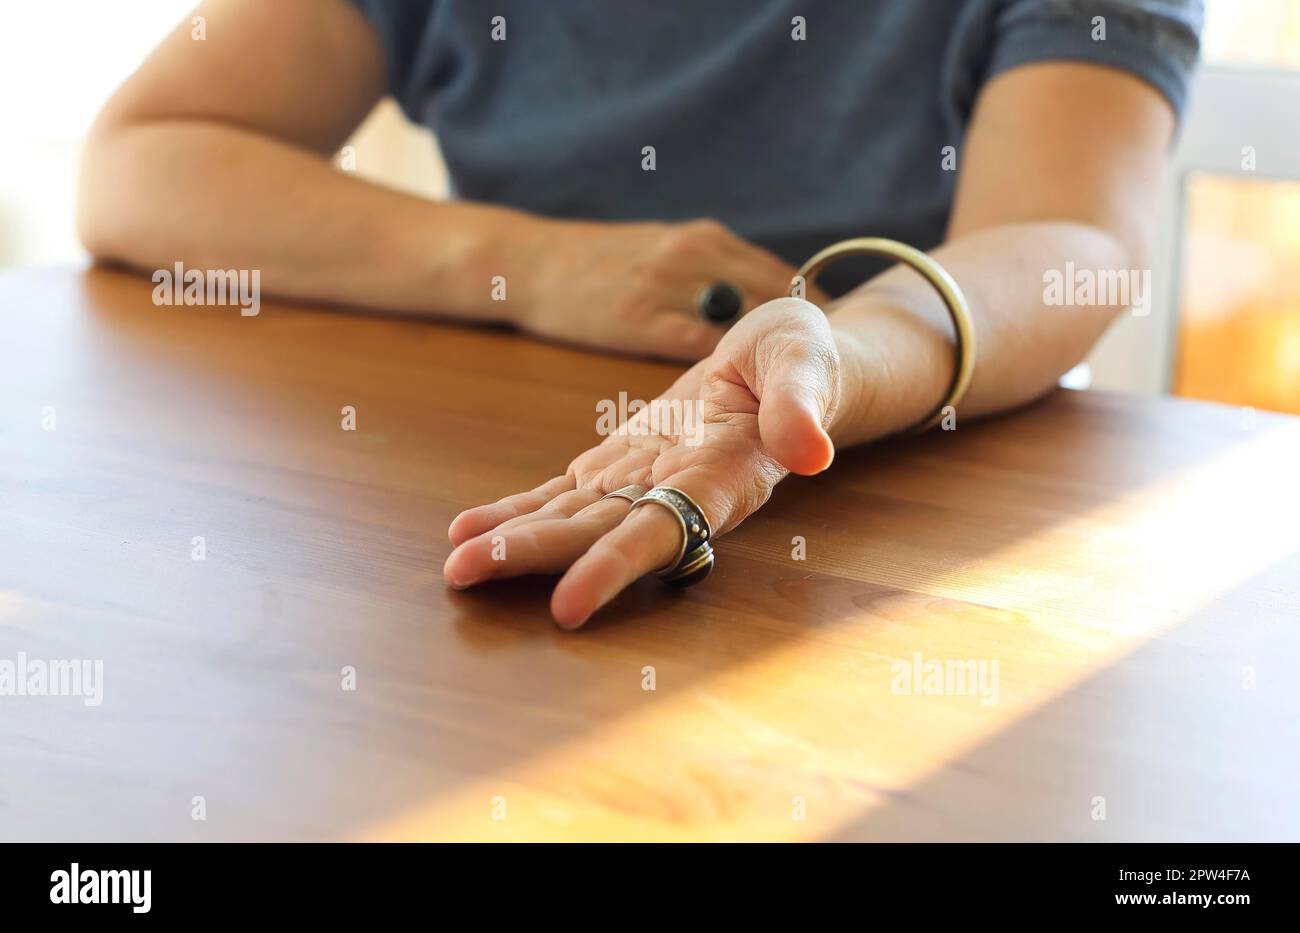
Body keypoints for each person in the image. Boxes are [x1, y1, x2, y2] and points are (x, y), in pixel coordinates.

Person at [78, 0, 1202, 627]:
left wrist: (837, 356)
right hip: (477, 484)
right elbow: (136, 165)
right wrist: (528, 264)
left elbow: (1075, 245)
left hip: (896, 532)